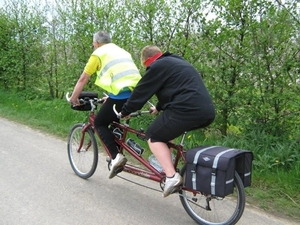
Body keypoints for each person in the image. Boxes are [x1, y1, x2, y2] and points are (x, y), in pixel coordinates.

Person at [120, 45, 215, 197]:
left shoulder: (156, 66)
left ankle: (171, 176)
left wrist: (125, 111)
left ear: (146, 62)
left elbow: (141, 92)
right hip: (206, 112)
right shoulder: (175, 61)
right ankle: (167, 166)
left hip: (186, 110)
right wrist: (158, 107)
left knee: (153, 136)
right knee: (166, 131)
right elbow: (174, 87)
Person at [68, 31, 141, 179]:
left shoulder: (98, 54)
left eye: (93, 44)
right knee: (114, 121)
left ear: (96, 43)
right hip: (138, 94)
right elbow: (122, 75)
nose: (93, 46)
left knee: (100, 123)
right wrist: (111, 95)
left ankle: (116, 157)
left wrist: (74, 98)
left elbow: (83, 79)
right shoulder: (121, 51)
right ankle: (118, 153)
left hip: (122, 96)